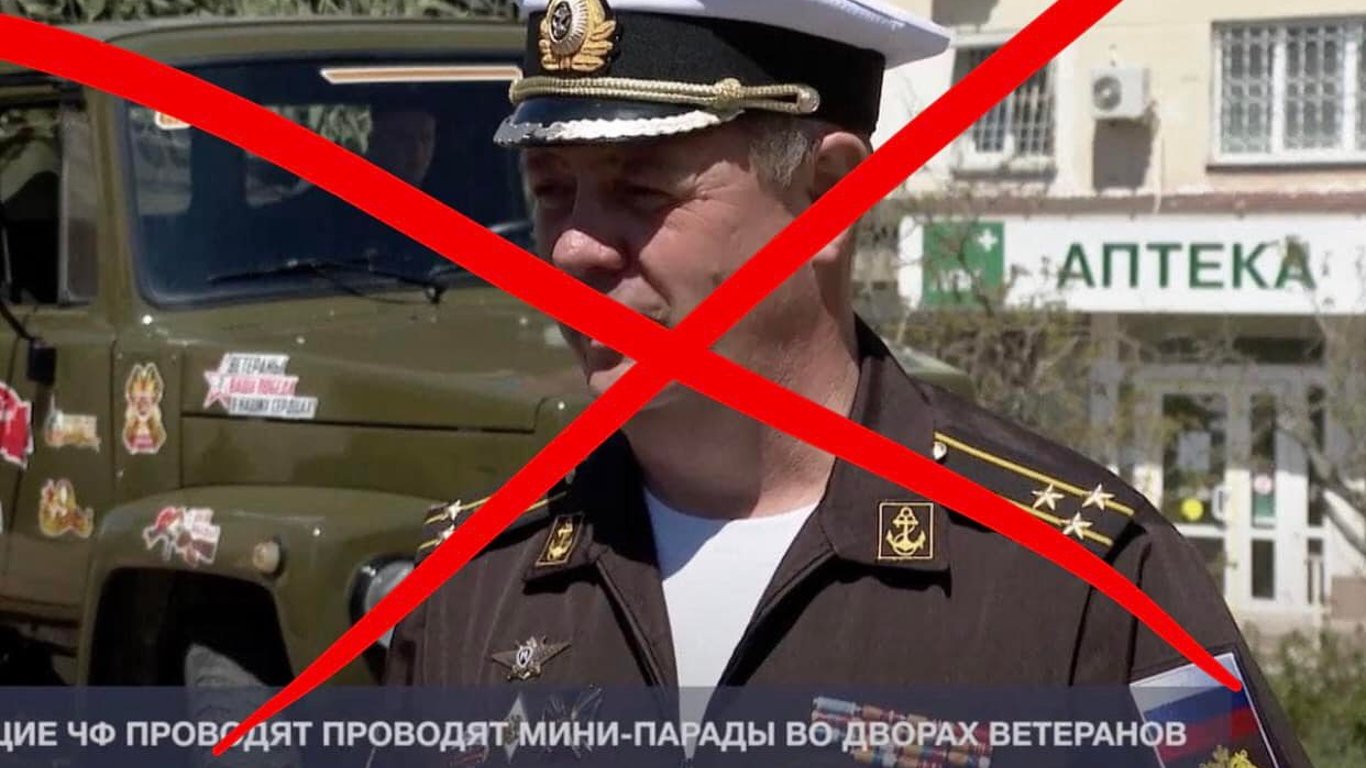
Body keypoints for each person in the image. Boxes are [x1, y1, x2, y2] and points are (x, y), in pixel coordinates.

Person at [385, 1, 1312, 766]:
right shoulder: (471, 583)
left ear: (828, 198)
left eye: (642, 191)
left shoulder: (1087, 577)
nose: (575, 249)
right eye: (552, 191)